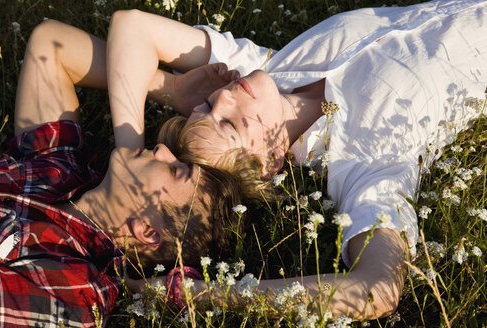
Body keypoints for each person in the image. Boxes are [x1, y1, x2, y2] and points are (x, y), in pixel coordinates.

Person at [109, 0, 487, 321]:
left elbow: (132, 26)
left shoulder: (264, 69)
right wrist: (204, 294)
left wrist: (131, 151)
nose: (223, 97)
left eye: (206, 105)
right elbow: (378, 288)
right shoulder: (364, 158)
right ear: (268, 165)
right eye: (228, 124)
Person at [0, 19, 246, 327]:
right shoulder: (60, 170)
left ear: (147, 231)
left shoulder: (75, 289)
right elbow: (50, 45)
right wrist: (168, 88)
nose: (161, 150)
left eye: (175, 170)